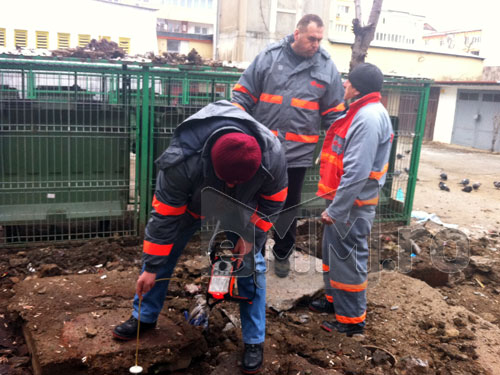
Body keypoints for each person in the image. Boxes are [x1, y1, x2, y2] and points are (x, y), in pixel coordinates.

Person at [112, 100, 288, 374]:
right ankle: (144, 317)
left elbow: (273, 203)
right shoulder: (183, 158)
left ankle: (254, 341)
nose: (230, 185)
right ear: (210, 162)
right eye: (226, 179)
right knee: (163, 253)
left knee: (251, 266)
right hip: (193, 203)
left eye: (237, 181)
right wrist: (151, 267)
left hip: (243, 206)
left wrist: (251, 236)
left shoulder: (272, 157)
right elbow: (165, 217)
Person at [231, 14, 345, 278]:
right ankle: (252, 253)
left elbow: (335, 115)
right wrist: (238, 132)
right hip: (262, 151)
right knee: (252, 202)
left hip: (298, 156)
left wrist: (342, 145)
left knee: (289, 207)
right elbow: (242, 96)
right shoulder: (269, 58)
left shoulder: (327, 68)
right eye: (311, 38)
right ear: (297, 34)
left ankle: (282, 254)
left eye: (319, 39)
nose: (316, 44)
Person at [309, 63, 393, 336]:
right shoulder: (364, 112)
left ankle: (351, 321)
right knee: (335, 256)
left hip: (351, 207)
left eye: (348, 81)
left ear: (356, 87)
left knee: (347, 260)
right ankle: (335, 303)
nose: (344, 84)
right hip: (343, 203)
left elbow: (356, 171)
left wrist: (338, 209)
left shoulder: (367, 118)